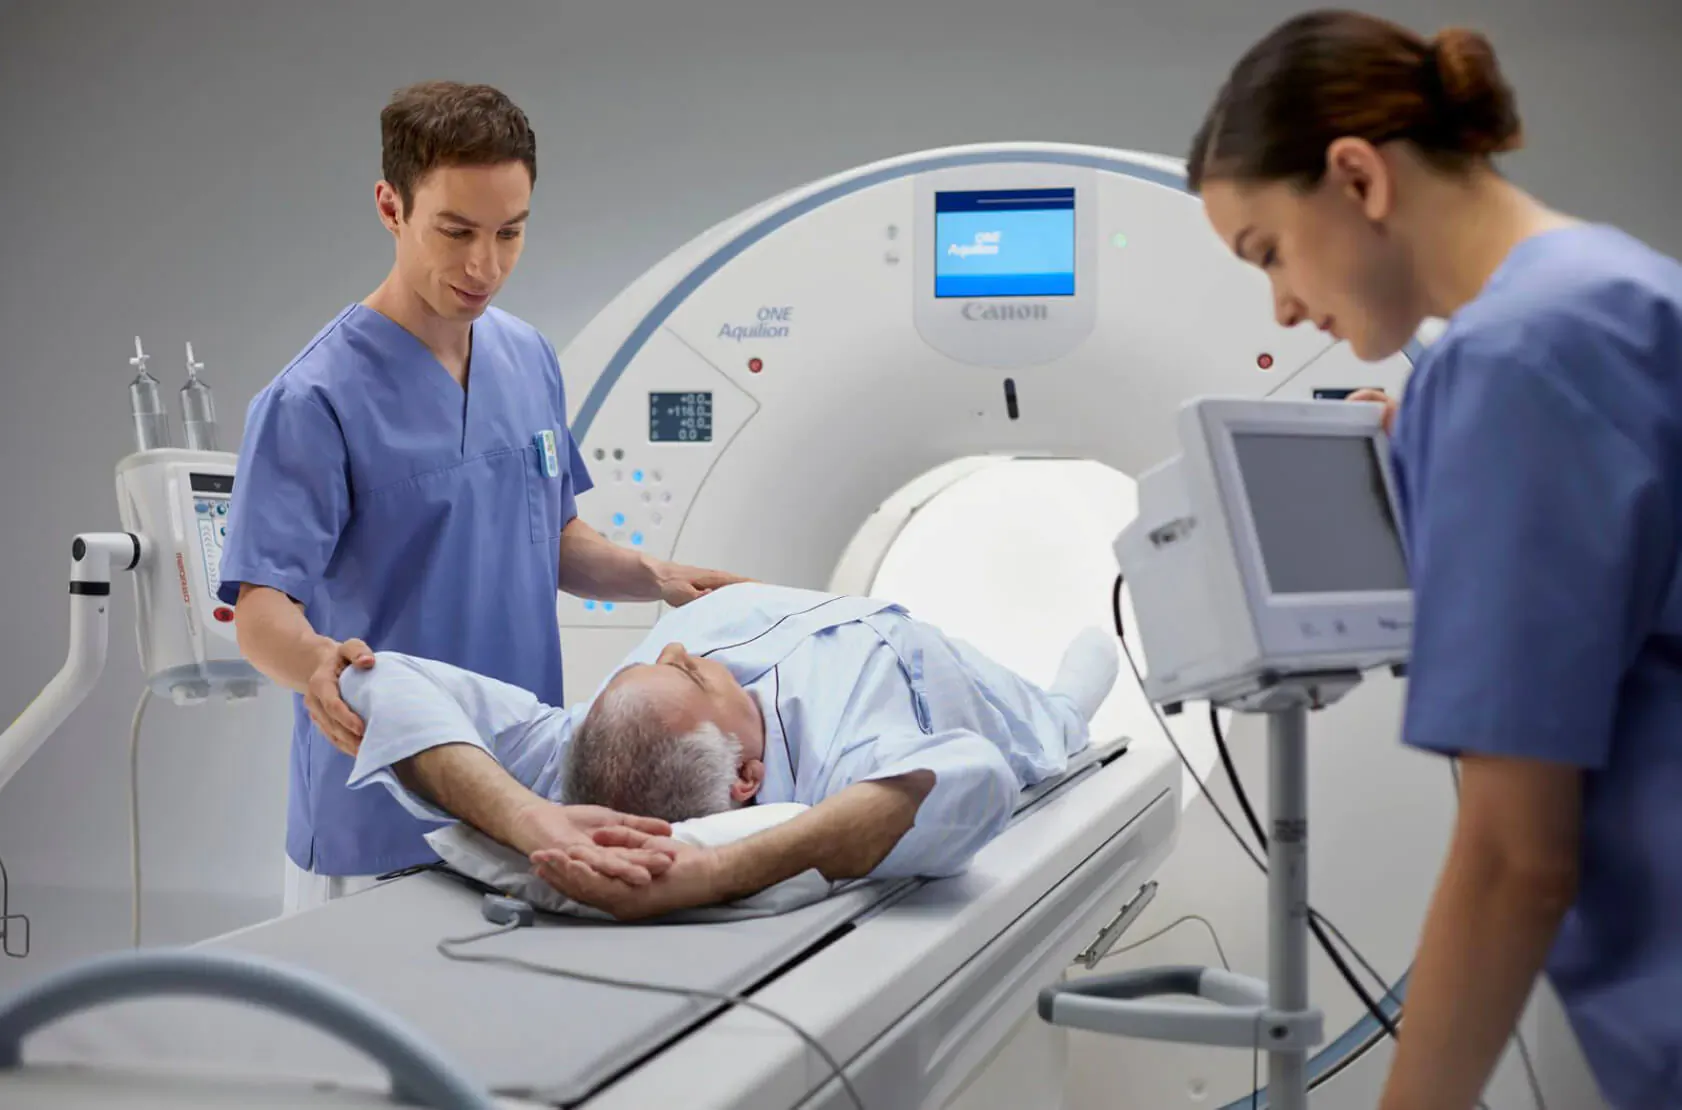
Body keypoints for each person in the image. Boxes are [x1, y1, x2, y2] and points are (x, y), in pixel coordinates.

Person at [1189, 11, 1682, 1110]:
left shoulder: (1508, 362)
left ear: (1355, 176)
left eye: (1265, 249)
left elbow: (1517, 859)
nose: (1278, 302)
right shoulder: (1620, 290)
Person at [218, 81, 745, 913]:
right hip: (380, 813)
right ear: (391, 207)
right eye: (456, 231)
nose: (484, 266)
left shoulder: (527, 357)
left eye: (510, 232)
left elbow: (552, 536)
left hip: (527, 802)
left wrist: (657, 574)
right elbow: (260, 606)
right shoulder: (313, 398)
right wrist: (316, 665)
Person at [335, 582, 1122, 919]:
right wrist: (715, 872)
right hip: (941, 673)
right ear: (747, 778)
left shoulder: (573, 751)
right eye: (692, 676)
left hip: (796, 607)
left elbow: (380, 679)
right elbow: (972, 780)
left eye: (662, 662)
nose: (677, 646)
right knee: (1037, 736)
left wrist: (529, 816)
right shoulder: (845, 758)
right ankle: (1065, 707)